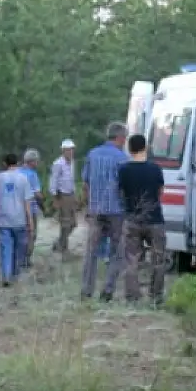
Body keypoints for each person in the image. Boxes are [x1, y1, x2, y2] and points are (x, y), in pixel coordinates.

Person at [116, 134, 168, 305]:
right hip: (154, 220)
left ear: (130, 150)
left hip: (132, 220)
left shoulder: (123, 170)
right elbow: (160, 193)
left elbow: (121, 193)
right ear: (145, 148)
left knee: (131, 259)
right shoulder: (155, 169)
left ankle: (132, 297)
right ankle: (156, 296)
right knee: (158, 260)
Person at [81, 122, 129, 301]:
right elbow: (124, 187)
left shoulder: (92, 154)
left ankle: (86, 290)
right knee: (116, 252)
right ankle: (107, 290)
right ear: (121, 137)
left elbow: (86, 184)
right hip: (116, 211)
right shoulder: (122, 159)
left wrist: (89, 206)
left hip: (96, 210)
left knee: (91, 252)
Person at [0, 153, 34, 286]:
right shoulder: (23, 178)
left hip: (4, 219)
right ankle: (15, 274)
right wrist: (30, 221)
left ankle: (6, 275)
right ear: (18, 163)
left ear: (4, 163)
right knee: (19, 250)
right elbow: (27, 203)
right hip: (19, 219)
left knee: (5, 249)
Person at [49, 139, 77, 257]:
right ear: (63, 151)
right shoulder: (58, 164)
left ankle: (59, 243)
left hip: (70, 194)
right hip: (62, 195)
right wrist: (55, 199)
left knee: (73, 223)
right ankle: (64, 249)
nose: (70, 152)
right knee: (65, 223)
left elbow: (71, 179)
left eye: (72, 150)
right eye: (68, 150)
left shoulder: (72, 162)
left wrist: (75, 195)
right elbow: (53, 182)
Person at [18, 149, 45, 270]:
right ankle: (25, 260)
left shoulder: (17, 172)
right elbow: (37, 194)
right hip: (31, 209)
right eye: (36, 161)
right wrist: (43, 206)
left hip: (16, 209)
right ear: (32, 161)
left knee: (20, 234)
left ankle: (18, 258)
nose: (38, 163)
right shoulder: (32, 175)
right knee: (31, 235)